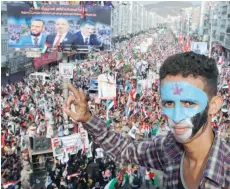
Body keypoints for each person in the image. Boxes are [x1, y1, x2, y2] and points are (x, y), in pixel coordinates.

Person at [64, 51, 229, 189]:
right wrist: (88, 118)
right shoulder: (170, 149)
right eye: (169, 103)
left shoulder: (225, 175)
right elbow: (125, 150)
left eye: (189, 103)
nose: (177, 116)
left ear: (214, 105)